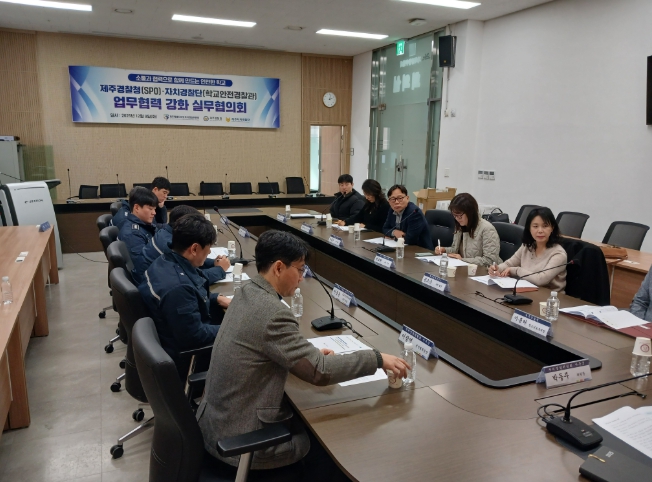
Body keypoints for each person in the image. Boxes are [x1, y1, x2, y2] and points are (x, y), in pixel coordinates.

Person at [197, 230, 410, 478]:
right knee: (332, 443)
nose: (301, 277)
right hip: (243, 442)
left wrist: (305, 353)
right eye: (299, 270)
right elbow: (320, 371)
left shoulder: (247, 291)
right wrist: (377, 358)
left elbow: (263, 346)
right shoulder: (273, 312)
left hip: (216, 424)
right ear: (278, 268)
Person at [138, 214, 231, 380]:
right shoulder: (179, 287)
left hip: (171, 333)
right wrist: (235, 325)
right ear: (194, 249)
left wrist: (216, 298)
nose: (210, 252)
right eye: (208, 247)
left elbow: (189, 298)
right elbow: (194, 336)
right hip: (185, 359)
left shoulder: (165, 260)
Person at [138, 205, 230, 284]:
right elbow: (193, 278)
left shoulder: (167, 232)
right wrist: (220, 270)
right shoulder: (169, 245)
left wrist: (214, 262)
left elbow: (190, 260)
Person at [489, 207, 567, 291]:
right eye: (535, 226)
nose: (540, 230)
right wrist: (497, 269)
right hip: (526, 291)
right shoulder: (527, 246)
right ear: (529, 228)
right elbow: (509, 264)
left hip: (549, 296)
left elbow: (541, 279)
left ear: (552, 228)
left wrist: (516, 270)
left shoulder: (559, 254)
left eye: (545, 226)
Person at [434, 193, 502, 266]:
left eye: (459, 215)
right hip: (465, 268)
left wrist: (463, 260)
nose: (457, 219)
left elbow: (490, 261)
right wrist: (444, 250)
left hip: (484, 271)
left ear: (470, 213)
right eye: (454, 215)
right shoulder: (460, 226)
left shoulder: (487, 229)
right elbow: (456, 250)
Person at [118, 187, 158, 284]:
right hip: (147, 282)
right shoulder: (133, 234)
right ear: (136, 208)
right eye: (150, 209)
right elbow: (142, 269)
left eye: (154, 209)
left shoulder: (142, 225)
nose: (154, 213)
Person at [382, 184, 434, 250]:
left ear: (407, 198)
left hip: (420, 251)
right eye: (393, 199)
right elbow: (385, 229)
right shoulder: (392, 210)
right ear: (389, 201)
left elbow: (410, 239)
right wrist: (394, 232)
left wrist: (393, 237)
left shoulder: (414, 212)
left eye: (400, 198)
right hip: (402, 248)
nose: (396, 202)